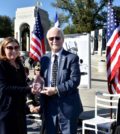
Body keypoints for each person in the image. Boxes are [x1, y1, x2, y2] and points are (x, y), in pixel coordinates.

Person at [40, 27, 83, 134]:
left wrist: (56, 89)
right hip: (49, 106)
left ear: (63, 40)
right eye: (51, 38)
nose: (54, 41)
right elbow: (42, 78)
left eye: (57, 38)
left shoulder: (72, 58)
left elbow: (75, 80)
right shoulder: (44, 59)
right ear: (48, 40)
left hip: (67, 105)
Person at [0, 37, 37, 134]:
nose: (14, 50)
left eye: (16, 47)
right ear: (3, 49)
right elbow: (4, 88)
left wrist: (34, 87)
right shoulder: (1, 65)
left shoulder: (19, 64)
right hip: (6, 110)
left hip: (20, 109)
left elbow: (24, 84)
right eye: (9, 48)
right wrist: (28, 89)